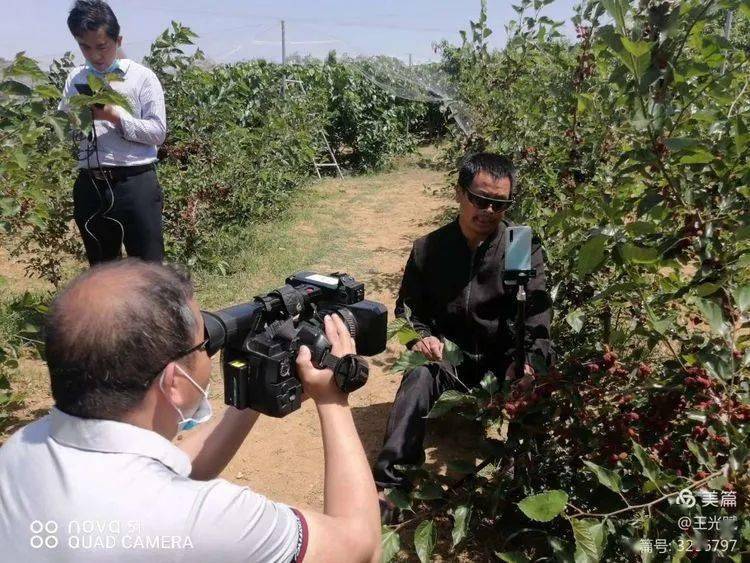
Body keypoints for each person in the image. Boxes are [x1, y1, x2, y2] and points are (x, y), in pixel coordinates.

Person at [0, 260, 381, 562]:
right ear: (174, 381)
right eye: (204, 344)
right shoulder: (210, 519)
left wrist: (252, 397)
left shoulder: (20, 450)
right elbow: (357, 547)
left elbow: (172, 471)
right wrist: (333, 399)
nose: (208, 351)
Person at [374, 152, 554, 519]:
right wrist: (421, 338)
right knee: (418, 374)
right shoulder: (429, 249)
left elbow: (537, 318)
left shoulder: (522, 247)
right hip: (449, 362)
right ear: (459, 193)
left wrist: (529, 364)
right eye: (479, 199)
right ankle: (392, 485)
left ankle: (525, 486)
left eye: (499, 203)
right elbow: (408, 312)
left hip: (502, 361)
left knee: (534, 381)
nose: (488, 210)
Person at [59, 0, 167, 264]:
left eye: (102, 46)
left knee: (148, 270)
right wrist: (73, 120)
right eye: (85, 47)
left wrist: (116, 117)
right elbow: (65, 130)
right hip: (91, 186)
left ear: (117, 40)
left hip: (135, 184)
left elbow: (158, 133)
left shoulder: (142, 78)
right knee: (104, 274)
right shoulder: (75, 79)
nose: (94, 55)